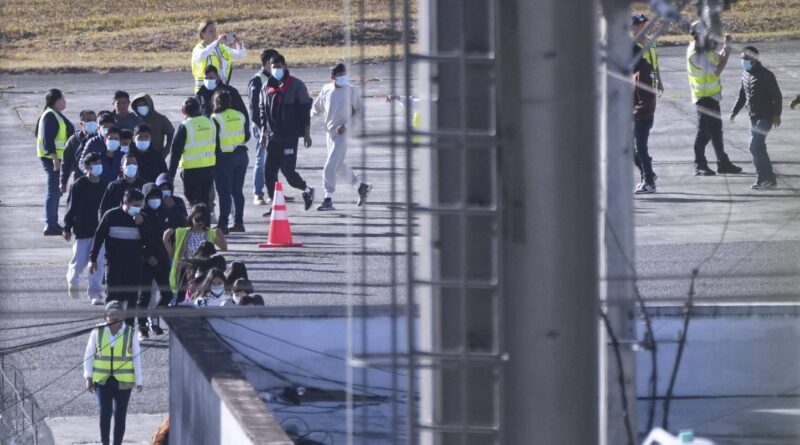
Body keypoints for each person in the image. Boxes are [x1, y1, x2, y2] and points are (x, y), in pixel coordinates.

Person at [311, 63, 372, 209]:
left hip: (344, 134)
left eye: (345, 75)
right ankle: (361, 186)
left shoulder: (351, 90)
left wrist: (347, 125)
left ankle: (328, 199)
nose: (343, 78)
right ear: (332, 77)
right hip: (330, 133)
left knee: (329, 166)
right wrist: (306, 122)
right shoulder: (326, 89)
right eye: (339, 76)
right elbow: (316, 108)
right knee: (337, 166)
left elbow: (360, 110)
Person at [90, 189, 154, 327]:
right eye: (136, 204)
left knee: (131, 296)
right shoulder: (111, 216)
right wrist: (93, 258)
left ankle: (129, 327)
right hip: (114, 263)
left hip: (134, 263)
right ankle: (110, 325)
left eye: (140, 205)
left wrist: (141, 225)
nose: (138, 208)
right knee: (113, 295)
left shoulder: (142, 218)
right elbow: (99, 236)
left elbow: (149, 240)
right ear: (126, 202)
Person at [259, 54, 315, 212]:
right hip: (272, 136)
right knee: (269, 173)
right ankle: (275, 204)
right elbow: (262, 109)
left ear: (285, 66)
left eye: (279, 66)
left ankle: (307, 189)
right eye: (273, 66)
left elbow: (305, 109)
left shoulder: (296, 85)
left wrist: (307, 133)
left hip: (289, 136)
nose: (276, 69)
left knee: (288, 172)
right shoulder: (266, 87)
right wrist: (263, 131)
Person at [83, 301, 143, 445]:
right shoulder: (97, 331)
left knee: (120, 416)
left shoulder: (130, 332)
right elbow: (88, 356)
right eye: (112, 314)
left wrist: (139, 381)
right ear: (106, 316)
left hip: (124, 382)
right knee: (105, 413)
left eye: (118, 314)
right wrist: (88, 377)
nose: (115, 317)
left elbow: (136, 357)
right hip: (102, 381)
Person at [687, 21, 742, 176]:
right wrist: (728, 51)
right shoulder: (696, 53)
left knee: (717, 131)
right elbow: (717, 70)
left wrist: (726, 46)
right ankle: (699, 165)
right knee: (703, 132)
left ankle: (722, 163)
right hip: (703, 97)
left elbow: (719, 58)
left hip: (712, 96)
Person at [730, 46, 783, 190]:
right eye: (742, 58)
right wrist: (734, 112)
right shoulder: (745, 74)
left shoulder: (766, 75)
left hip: (765, 117)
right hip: (753, 117)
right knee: (759, 147)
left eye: (746, 58)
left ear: (754, 58)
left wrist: (777, 114)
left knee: (754, 146)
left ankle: (763, 177)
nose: (743, 61)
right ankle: (768, 179)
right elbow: (742, 95)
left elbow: (777, 96)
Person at [64, 152, 107, 304]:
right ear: (87, 167)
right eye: (94, 163)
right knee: (80, 261)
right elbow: (71, 207)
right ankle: (72, 280)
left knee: (98, 262)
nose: (98, 166)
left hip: (100, 231)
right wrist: (67, 227)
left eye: (99, 162)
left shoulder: (105, 185)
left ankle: (95, 294)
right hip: (83, 230)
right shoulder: (78, 185)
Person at [35, 88, 74, 235]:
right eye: (63, 99)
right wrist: (55, 159)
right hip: (53, 160)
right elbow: (47, 139)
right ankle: (50, 224)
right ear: (57, 100)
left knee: (56, 191)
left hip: (56, 158)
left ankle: (53, 222)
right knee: (53, 191)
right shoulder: (50, 116)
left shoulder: (54, 114)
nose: (65, 101)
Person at [164, 204, 227, 294]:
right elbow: (173, 254)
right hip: (188, 270)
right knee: (188, 294)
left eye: (203, 220)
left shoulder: (209, 233)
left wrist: (220, 234)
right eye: (197, 220)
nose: (200, 223)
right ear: (191, 218)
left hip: (205, 269)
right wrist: (165, 239)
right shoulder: (183, 233)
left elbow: (224, 248)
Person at [211, 90, 250, 233]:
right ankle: (239, 222)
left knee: (224, 193)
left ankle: (223, 225)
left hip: (224, 158)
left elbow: (213, 140)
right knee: (237, 191)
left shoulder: (215, 118)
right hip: (241, 155)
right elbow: (246, 136)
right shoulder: (240, 115)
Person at [169, 98, 218, 209]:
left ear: (184, 111)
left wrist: (171, 174)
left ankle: (197, 224)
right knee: (205, 200)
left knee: (194, 202)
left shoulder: (185, 125)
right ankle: (206, 224)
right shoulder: (210, 122)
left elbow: (175, 151)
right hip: (208, 168)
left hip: (191, 170)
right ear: (199, 108)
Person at [138, 183, 173, 339]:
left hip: (163, 258)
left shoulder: (165, 212)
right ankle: (142, 326)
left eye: (157, 197)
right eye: (151, 197)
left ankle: (155, 315)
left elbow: (180, 223)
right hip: (146, 261)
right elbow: (139, 240)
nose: (154, 200)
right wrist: (147, 255)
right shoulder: (141, 215)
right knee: (144, 296)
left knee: (167, 294)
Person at [249, 49, 280, 205]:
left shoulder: (275, 79)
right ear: (268, 63)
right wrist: (263, 128)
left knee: (275, 159)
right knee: (262, 159)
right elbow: (255, 108)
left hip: (274, 126)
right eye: (274, 63)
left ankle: (274, 192)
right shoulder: (257, 80)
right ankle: (258, 193)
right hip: (262, 127)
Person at [632, 22, 657, 194]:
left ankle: (649, 182)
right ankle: (647, 174)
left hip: (643, 117)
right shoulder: (635, 72)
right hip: (636, 115)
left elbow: (646, 100)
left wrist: (634, 113)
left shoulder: (642, 73)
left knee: (641, 148)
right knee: (633, 148)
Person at [191, 20, 246, 92]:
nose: (214, 33)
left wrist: (239, 43)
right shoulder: (199, 48)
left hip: (220, 88)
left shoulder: (221, 47)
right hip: (204, 90)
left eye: (214, 30)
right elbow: (201, 55)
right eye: (210, 31)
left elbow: (240, 56)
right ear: (202, 34)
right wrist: (216, 43)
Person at [61, 110, 98, 193]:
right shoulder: (73, 140)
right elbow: (66, 162)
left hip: (98, 180)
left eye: (94, 120)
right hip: (79, 178)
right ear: (81, 123)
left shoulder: (99, 139)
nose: (92, 123)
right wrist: (63, 182)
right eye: (89, 121)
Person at [131, 94, 175, 159]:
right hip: (138, 157)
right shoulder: (134, 119)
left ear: (150, 105)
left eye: (144, 105)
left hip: (157, 157)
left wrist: (166, 149)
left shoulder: (160, 119)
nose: (142, 107)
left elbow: (171, 132)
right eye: (140, 105)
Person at [631, 14, 664, 97]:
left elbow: (655, 64)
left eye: (643, 25)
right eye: (639, 25)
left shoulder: (650, 43)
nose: (642, 28)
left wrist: (659, 82)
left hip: (650, 86)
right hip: (635, 88)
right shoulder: (630, 45)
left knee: (649, 109)